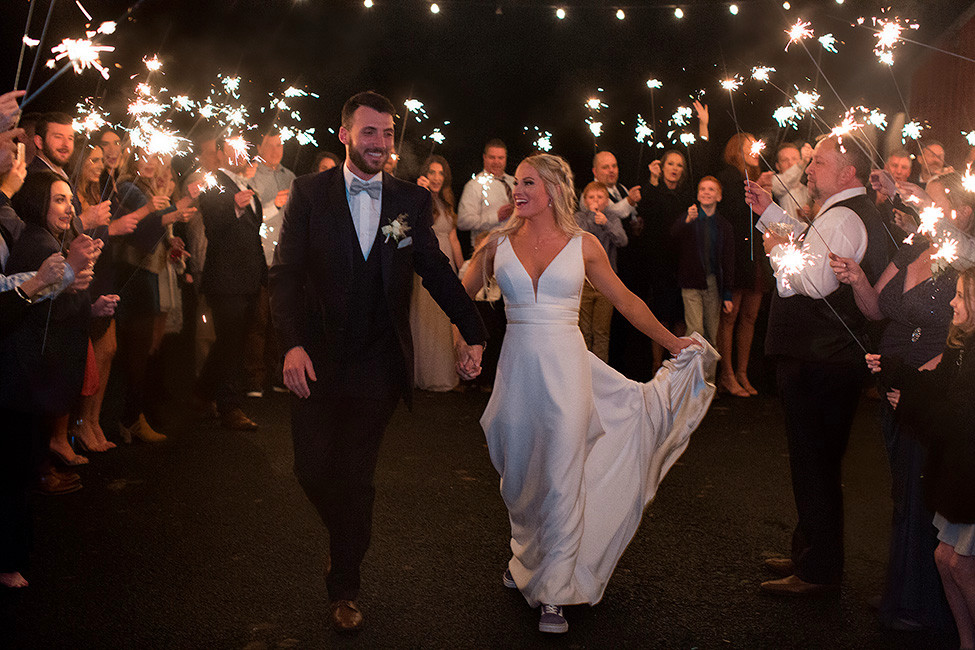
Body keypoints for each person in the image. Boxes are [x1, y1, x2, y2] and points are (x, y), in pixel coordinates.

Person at [462, 153, 716, 634]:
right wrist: (465, 340)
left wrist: (672, 342)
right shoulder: (497, 243)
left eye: (529, 183)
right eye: (518, 183)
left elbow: (626, 301)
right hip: (516, 373)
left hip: (567, 373)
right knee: (521, 477)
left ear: (554, 190)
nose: (518, 190)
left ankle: (556, 592)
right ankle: (525, 558)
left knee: (562, 474)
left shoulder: (584, 245)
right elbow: (462, 291)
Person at [268, 92, 486, 633]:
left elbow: (434, 269)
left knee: (357, 477)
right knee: (311, 468)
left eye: (387, 134)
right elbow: (286, 275)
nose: (381, 143)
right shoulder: (309, 193)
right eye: (369, 132)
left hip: (377, 363)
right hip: (316, 359)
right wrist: (292, 344)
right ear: (344, 134)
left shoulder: (410, 201)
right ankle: (344, 539)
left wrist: (473, 329)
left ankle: (345, 586)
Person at [745, 133, 893, 595]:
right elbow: (811, 244)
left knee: (816, 464)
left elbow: (809, 282)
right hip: (822, 358)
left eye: (819, 163)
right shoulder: (840, 212)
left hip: (822, 360)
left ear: (848, 172)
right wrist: (770, 212)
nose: (809, 169)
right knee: (813, 462)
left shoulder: (845, 216)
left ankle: (818, 571)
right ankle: (809, 553)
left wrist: (773, 247)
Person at [830, 170, 974, 630]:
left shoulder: (963, 260)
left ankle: (925, 602)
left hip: (928, 388)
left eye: (931, 202)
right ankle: (904, 585)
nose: (920, 209)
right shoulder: (913, 245)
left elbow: (961, 335)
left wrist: (918, 381)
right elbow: (876, 307)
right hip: (890, 379)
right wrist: (857, 279)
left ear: (961, 212)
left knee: (923, 489)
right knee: (901, 488)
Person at [865, 266, 975, 648]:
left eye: (960, 296)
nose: (951, 302)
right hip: (958, 472)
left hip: (969, 474)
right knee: (944, 558)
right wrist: (895, 370)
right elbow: (936, 384)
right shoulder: (962, 345)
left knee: (961, 563)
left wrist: (912, 405)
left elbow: (960, 415)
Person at [195, 136, 265, 431]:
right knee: (230, 343)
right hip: (225, 279)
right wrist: (234, 208)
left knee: (233, 342)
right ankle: (229, 406)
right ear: (221, 153)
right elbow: (212, 227)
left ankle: (203, 393)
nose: (240, 154)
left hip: (248, 278)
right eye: (233, 150)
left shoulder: (245, 185)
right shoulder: (213, 184)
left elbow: (253, 234)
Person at [246, 132, 296, 398]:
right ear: (259, 147)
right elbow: (248, 216)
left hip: (284, 258)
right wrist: (274, 205)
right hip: (259, 256)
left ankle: (278, 374)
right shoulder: (252, 175)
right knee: (258, 319)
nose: (277, 150)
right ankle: (254, 378)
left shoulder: (291, 177)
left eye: (280, 145)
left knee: (280, 319)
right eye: (271, 145)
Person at [716, 132, 766, 397]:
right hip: (735, 255)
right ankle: (726, 374)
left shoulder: (758, 179)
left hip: (756, 255)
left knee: (750, 317)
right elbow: (734, 216)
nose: (756, 150)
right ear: (737, 151)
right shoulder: (728, 178)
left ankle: (743, 373)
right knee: (730, 316)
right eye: (750, 146)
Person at [411, 155, 466, 391]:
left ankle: (444, 373)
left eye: (440, 173)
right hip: (428, 265)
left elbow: (453, 238)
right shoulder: (420, 197)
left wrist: (463, 268)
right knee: (426, 320)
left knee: (446, 320)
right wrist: (420, 194)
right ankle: (425, 375)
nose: (436, 177)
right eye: (432, 172)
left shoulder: (447, 201)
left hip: (447, 266)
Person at [671, 176, 734, 349]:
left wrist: (727, 294)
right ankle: (691, 367)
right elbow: (673, 237)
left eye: (711, 189)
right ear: (698, 195)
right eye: (702, 189)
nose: (706, 192)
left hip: (712, 283)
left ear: (719, 196)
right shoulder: (689, 219)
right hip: (691, 282)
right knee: (695, 331)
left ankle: (708, 368)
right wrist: (686, 221)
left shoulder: (724, 226)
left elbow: (728, 260)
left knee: (711, 334)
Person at [574, 180, 627, 362]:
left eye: (600, 197)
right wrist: (591, 216)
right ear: (585, 200)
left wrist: (606, 224)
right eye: (591, 197)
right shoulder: (579, 217)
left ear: (607, 200)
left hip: (606, 282)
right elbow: (578, 237)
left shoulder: (612, 218)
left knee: (602, 332)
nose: (596, 200)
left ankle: (600, 373)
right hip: (584, 281)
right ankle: (583, 371)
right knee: (583, 332)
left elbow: (622, 240)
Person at [457, 138, 514, 248]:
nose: (496, 162)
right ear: (484, 157)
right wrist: (496, 217)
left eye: (500, 158)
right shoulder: (474, 185)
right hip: (488, 249)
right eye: (492, 157)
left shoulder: (514, 182)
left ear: (506, 158)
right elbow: (463, 222)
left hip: (516, 246)